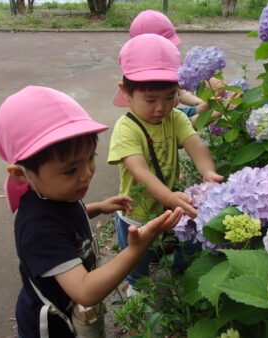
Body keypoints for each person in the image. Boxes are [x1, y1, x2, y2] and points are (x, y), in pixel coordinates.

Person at [0, 85, 183, 337]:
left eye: (90, 158)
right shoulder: (38, 227)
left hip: (73, 310)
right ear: (21, 174)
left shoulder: (55, 193)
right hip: (53, 325)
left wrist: (99, 207)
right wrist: (136, 250)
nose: (86, 174)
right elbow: (85, 290)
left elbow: (67, 220)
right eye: (71, 170)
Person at [108, 34, 224, 296]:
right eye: (151, 100)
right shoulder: (127, 128)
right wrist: (169, 196)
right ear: (126, 91)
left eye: (170, 97)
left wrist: (208, 172)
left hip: (169, 209)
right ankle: (136, 292)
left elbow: (195, 144)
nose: (161, 108)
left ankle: (182, 286)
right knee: (137, 260)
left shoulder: (175, 118)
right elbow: (139, 171)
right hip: (136, 216)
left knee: (176, 251)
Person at [129, 9, 241, 128]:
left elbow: (180, 95)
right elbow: (184, 126)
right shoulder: (148, 106)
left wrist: (203, 104)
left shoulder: (168, 64)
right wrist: (220, 110)